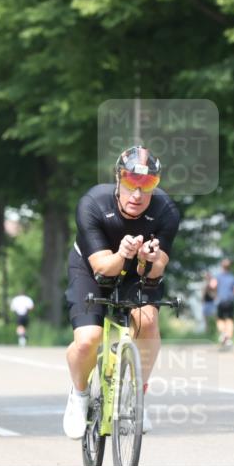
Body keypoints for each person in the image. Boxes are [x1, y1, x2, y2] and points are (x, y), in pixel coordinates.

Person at [62, 146, 180, 439]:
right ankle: (79, 395)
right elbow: (103, 269)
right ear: (117, 178)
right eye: (130, 183)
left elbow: (157, 270)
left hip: (135, 271)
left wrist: (150, 259)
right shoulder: (93, 203)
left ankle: (136, 397)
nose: (137, 195)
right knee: (88, 340)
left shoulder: (166, 211)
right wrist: (122, 253)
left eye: (147, 185)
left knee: (148, 323)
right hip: (93, 268)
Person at [210, 259, 234, 350]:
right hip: (230, 301)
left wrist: (215, 293)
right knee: (230, 320)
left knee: (220, 319)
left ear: (221, 267)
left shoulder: (218, 277)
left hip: (221, 301)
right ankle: (228, 338)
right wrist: (232, 294)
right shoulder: (233, 278)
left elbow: (212, 285)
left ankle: (223, 334)